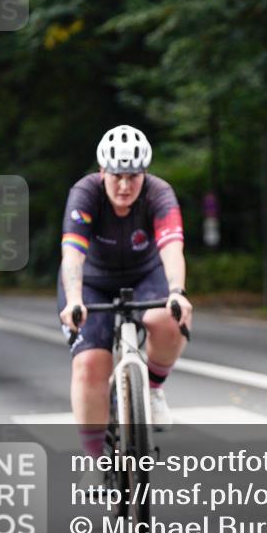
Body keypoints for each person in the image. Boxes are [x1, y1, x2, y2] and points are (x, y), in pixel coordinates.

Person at [57, 125, 192, 467]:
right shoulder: (84, 192)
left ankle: (154, 387)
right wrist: (74, 300)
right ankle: (94, 460)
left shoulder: (159, 193)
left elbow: (173, 247)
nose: (124, 185)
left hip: (145, 273)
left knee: (168, 317)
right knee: (90, 364)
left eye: (133, 176)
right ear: (102, 171)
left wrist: (177, 292)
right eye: (116, 175)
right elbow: (72, 254)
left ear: (144, 173)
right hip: (91, 280)